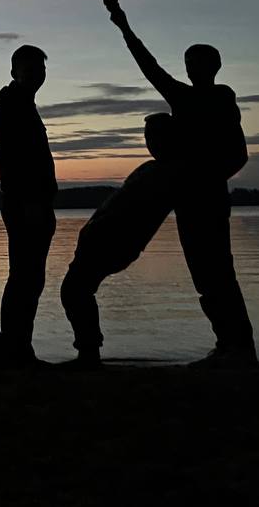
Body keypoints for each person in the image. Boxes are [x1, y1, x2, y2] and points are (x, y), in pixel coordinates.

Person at [105, 0, 257, 367]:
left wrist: (206, 176)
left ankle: (237, 347)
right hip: (192, 197)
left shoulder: (210, 99)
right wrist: (121, 22)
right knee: (209, 275)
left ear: (210, 68)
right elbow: (148, 64)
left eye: (196, 63)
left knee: (216, 273)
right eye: (188, 63)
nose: (190, 69)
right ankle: (231, 345)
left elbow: (238, 154)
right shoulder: (196, 99)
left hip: (205, 197)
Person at [60, 113, 178, 365]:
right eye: (147, 137)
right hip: (102, 241)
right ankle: (89, 351)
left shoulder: (167, 174)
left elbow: (133, 212)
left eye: (155, 136)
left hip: (113, 244)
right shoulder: (152, 168)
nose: (150, 142)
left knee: (74, 290)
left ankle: (89, 352)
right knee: (76, 290)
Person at [0, 44, 56, 367]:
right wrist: (30, 203)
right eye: (29, 69)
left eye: (40, 70)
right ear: (15, 72)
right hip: (24, 204)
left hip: (36, 203)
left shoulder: (24, 105)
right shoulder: (10, 108)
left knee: (32, 278)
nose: (37, 75)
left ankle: (20, 347)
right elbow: (14, 164)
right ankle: (15, 348)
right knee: (23, 278)